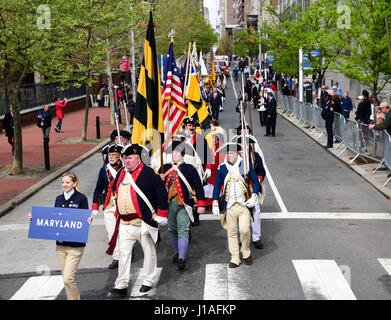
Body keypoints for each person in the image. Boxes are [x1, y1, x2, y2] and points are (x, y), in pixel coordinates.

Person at [107, 144, 168, 298]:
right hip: (124, 223)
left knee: (149, 252)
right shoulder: (121, 173)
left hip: (143, 222)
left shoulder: (149, 173)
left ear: (138, 158)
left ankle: (148, 280)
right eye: (125, 158)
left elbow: (161, 193)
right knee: (123, 254)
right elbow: (115, 189)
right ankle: (121, 284)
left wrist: (161, 214)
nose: (126, 161)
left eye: (129, 158)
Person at [29, 172, 93, 300]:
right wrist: (34, 218)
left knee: (68, 278)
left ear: (74, 183)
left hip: (75, 246)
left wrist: (88, 220)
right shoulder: (58, 198)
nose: (64, 185)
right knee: (66, 279)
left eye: (68, 182)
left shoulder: (81, 198)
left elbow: (84, 219)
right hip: (61, 246)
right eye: (63, 182)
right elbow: (54, 219)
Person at [160, 137, 206, 270]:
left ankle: (181, 257)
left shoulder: (189, 168)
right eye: (172, 152)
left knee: (183, 230)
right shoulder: (165, 167)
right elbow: (156, 186)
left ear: (183, 154)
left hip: (184, 205)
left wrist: (201, 204)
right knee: (172, 230)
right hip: (168, 205)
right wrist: (159, 177)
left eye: (176, 152)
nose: (173, 154)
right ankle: (176, 251)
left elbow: (198, 186)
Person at [212, 142, 260, 268]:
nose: (229, 155)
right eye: (227, 153)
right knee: (231, 232)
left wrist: (254, 195)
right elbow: (217, 186)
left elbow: (255, 182)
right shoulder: (222, 168)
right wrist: (215, 202)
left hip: (243, 204)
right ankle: (235, 257)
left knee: (244, 230)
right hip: (230, 206)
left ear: (236, 153)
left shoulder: (245, 165)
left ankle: (246, 252)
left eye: (231, 153)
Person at [92, 144, 124, 269]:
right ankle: (116, 257)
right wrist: (95, 206)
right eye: (109, 155)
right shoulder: (104, 170)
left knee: (124, 232)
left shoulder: (125, 168)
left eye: (113, 155)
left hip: (124, 205)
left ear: (119, 155)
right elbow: (98, 189)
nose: (110, 157)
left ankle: (126, 252)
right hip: (109, 205)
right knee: (111, 233)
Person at [236, 135, 266, 249]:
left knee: (255, 213)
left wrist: (258, 179)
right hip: (239, 188)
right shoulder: (234, 157)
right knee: (239, 213)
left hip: (252, 188)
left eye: (247, 143)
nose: (245, 146)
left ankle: (256, 237)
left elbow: (262, 171)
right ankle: (242, 236)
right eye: (242, 144)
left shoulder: (254, 156)